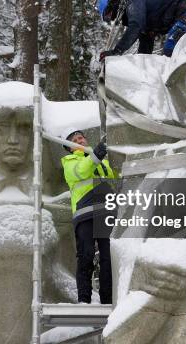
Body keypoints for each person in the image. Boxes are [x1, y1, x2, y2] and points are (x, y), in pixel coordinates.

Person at [60, 129, 116, 304]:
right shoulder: (70, 162)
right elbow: (81, 172)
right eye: (75, 140)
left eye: (81, 137)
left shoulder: (100, 160)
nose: (80, 140)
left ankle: (108, 299)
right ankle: (84, 299)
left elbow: (114, 178)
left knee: (108, 257)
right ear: (70, 148)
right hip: (86, 212)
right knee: (86, 254)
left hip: (106, 211)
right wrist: (96, 156)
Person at [96, 0, 186, 59]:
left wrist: (117, 51)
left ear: (114, 4)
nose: (111, 18)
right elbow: (144, 53)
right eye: (108, 18)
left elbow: (135, 26)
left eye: (109, 14)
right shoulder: (145, 23)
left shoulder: (133, 3)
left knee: (170, 50)